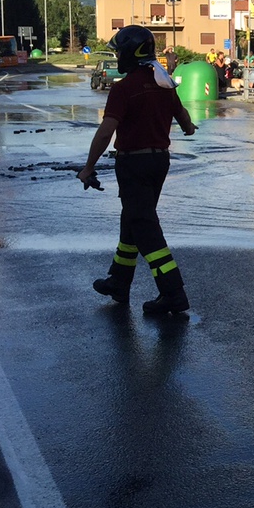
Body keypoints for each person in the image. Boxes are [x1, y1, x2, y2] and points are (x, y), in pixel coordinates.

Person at [78, 25, 197, 316]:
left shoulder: (124, 88)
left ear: (130, 53)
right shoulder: (163, 83)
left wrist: (88, 167)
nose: (117, 56)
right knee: (132, 218)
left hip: (134, 164)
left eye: (119, 51)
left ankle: (173, 293)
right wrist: (188, 127)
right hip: (159, 162)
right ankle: (119, 282)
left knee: (144, 226)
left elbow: (107, 132)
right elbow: (182, 116)